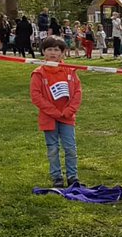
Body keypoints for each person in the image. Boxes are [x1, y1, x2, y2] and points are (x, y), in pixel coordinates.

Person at [29, 36, 82, 189]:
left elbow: (78, 92)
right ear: (43, 52)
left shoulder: (70, 71)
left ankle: (73, 177)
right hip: (49, 118)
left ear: (62, 53)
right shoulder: (38, 73)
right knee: (52, 148)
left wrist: (69, 110)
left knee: (70, 148)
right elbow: (36, 96)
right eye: (49, 49)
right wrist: (53, 112)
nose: (53, 53)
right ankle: (57, 177)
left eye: (56, 50)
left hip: (67, 117)